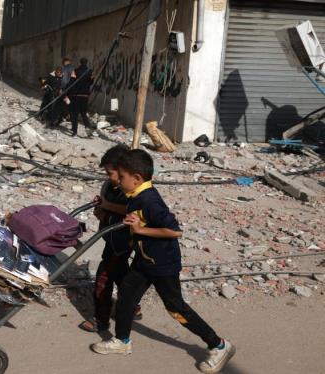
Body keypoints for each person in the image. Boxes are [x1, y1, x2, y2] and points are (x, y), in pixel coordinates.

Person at [91, 149, 236, 374]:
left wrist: (140, 229)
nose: (117, 182)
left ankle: (219, 345)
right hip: (143, 261)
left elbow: (174, 231)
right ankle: (122, 341)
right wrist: (112, 211)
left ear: (137, 178)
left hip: (162, 264)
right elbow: (130, 212)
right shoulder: (135, 196)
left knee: (175, 308)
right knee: (127, 297)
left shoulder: (150, 200)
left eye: (121, 177)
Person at [79, 145, 142, 334]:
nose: (109, 177)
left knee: (103, 279)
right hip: (110, 237)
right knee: (121, 274)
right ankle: (133, 306)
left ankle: (101, 320)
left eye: (112, 173)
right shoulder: (110, 186)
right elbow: (104, 207)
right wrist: (101, 209)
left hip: (122, 241)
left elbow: (132, 209)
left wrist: (107, 208)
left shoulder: (132, 189)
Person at [68, 58, 93, 137]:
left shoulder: (75, 71)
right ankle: (88, 130)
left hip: (76, 95)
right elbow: (91, 82)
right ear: (86, 63)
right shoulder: (90, 72)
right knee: (83, 114)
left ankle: (74, 132)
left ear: (80, 62)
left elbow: (71, 82)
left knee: (75, 114)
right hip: (85, 95)